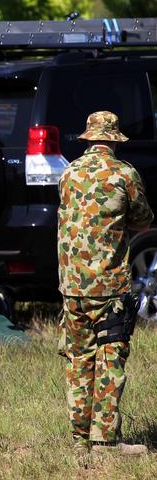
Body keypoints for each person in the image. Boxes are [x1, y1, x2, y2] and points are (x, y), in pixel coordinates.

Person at [57, 111, 154, 456]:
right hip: (109, 288)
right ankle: (104, 442)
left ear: (88, 139)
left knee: (78, 361)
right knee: (110, 363)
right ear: (113, 140)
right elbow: (144, 222)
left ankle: (79, 442)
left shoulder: (68, 173)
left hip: (71, 287)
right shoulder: (124, 173)